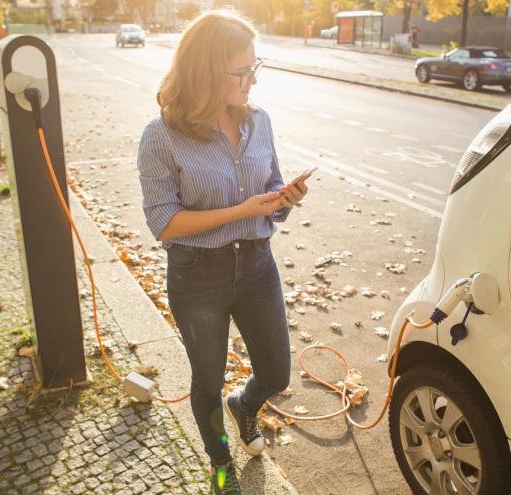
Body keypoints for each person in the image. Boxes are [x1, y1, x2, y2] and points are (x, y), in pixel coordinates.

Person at [135, 9, 307, 495]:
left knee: (276, 371)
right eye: (243, 71)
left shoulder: (260, 122)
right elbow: (163, 222)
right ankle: (219, 462)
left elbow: (269, 189)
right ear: (207, 71)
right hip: (197, 273)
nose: (254, 80)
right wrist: (239, 210)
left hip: (256, 263)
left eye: (257, 67)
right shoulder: (161, 134)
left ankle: (245, 406)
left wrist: (283, 199)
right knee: (207, 380)